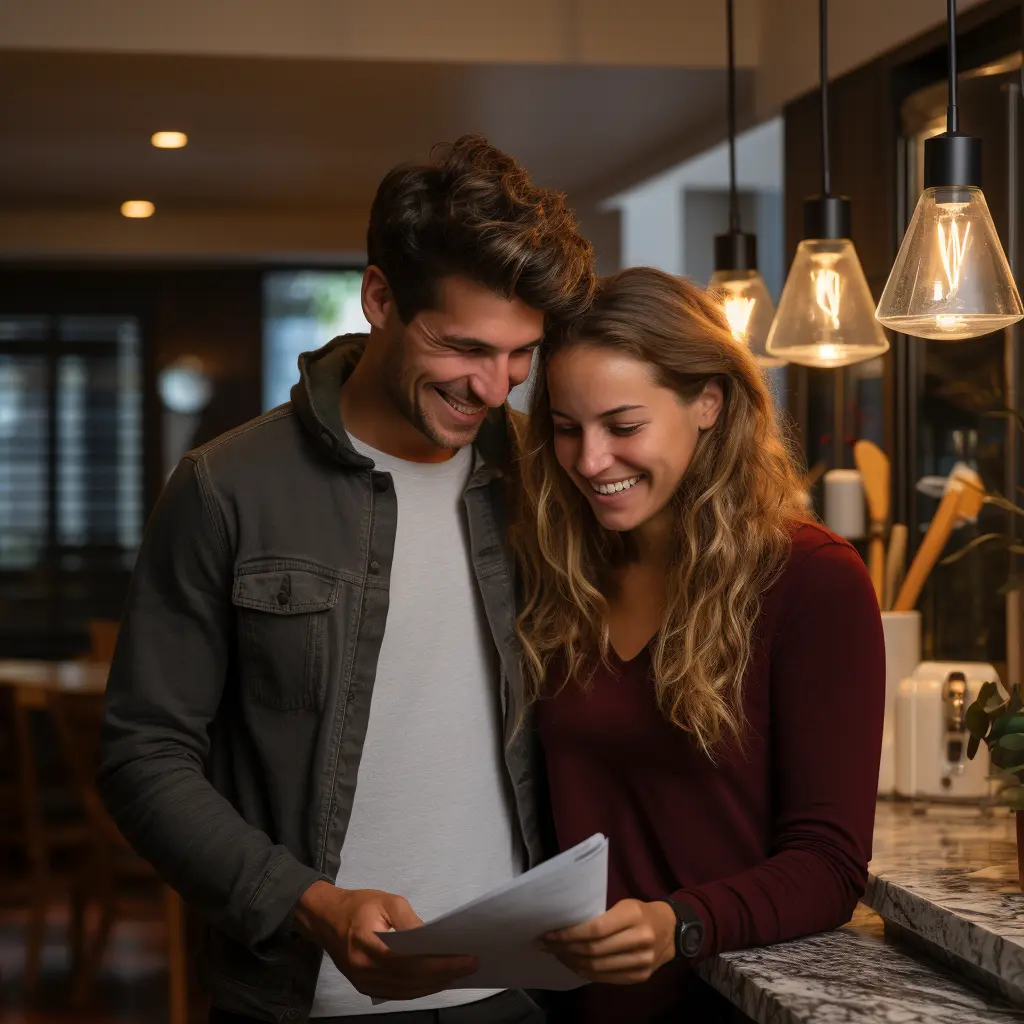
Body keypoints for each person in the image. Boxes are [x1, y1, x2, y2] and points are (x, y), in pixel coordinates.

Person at [98, 135, 594, 1023]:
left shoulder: (542, 478)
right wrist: (310, 904)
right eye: (465, 346)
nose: (494, 388)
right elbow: (144, 757)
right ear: (379, 299)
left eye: (521, 354)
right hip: (298, 996)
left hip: (521, 995)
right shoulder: (225, 486)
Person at [509, 267, 885, 1022]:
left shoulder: (810, 579)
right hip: (573, 1008)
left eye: (623, 426)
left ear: (708, 402)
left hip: (724, 1006)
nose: (588, 461)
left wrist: (675, 924)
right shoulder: (554, 572)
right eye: (566, 427)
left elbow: (830, 865)